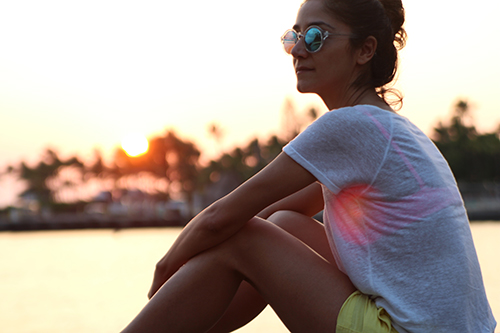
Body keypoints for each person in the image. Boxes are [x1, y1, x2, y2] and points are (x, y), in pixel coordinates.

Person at [122, 0, 497, 331]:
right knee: (282, 223)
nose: (298, 50)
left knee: (243, 236)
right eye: (293, 36)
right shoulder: (386, 128)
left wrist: (165, 268)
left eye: (316, 36)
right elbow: (273, 211)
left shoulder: (351, 126)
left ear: (364, 50)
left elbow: (222, 219)